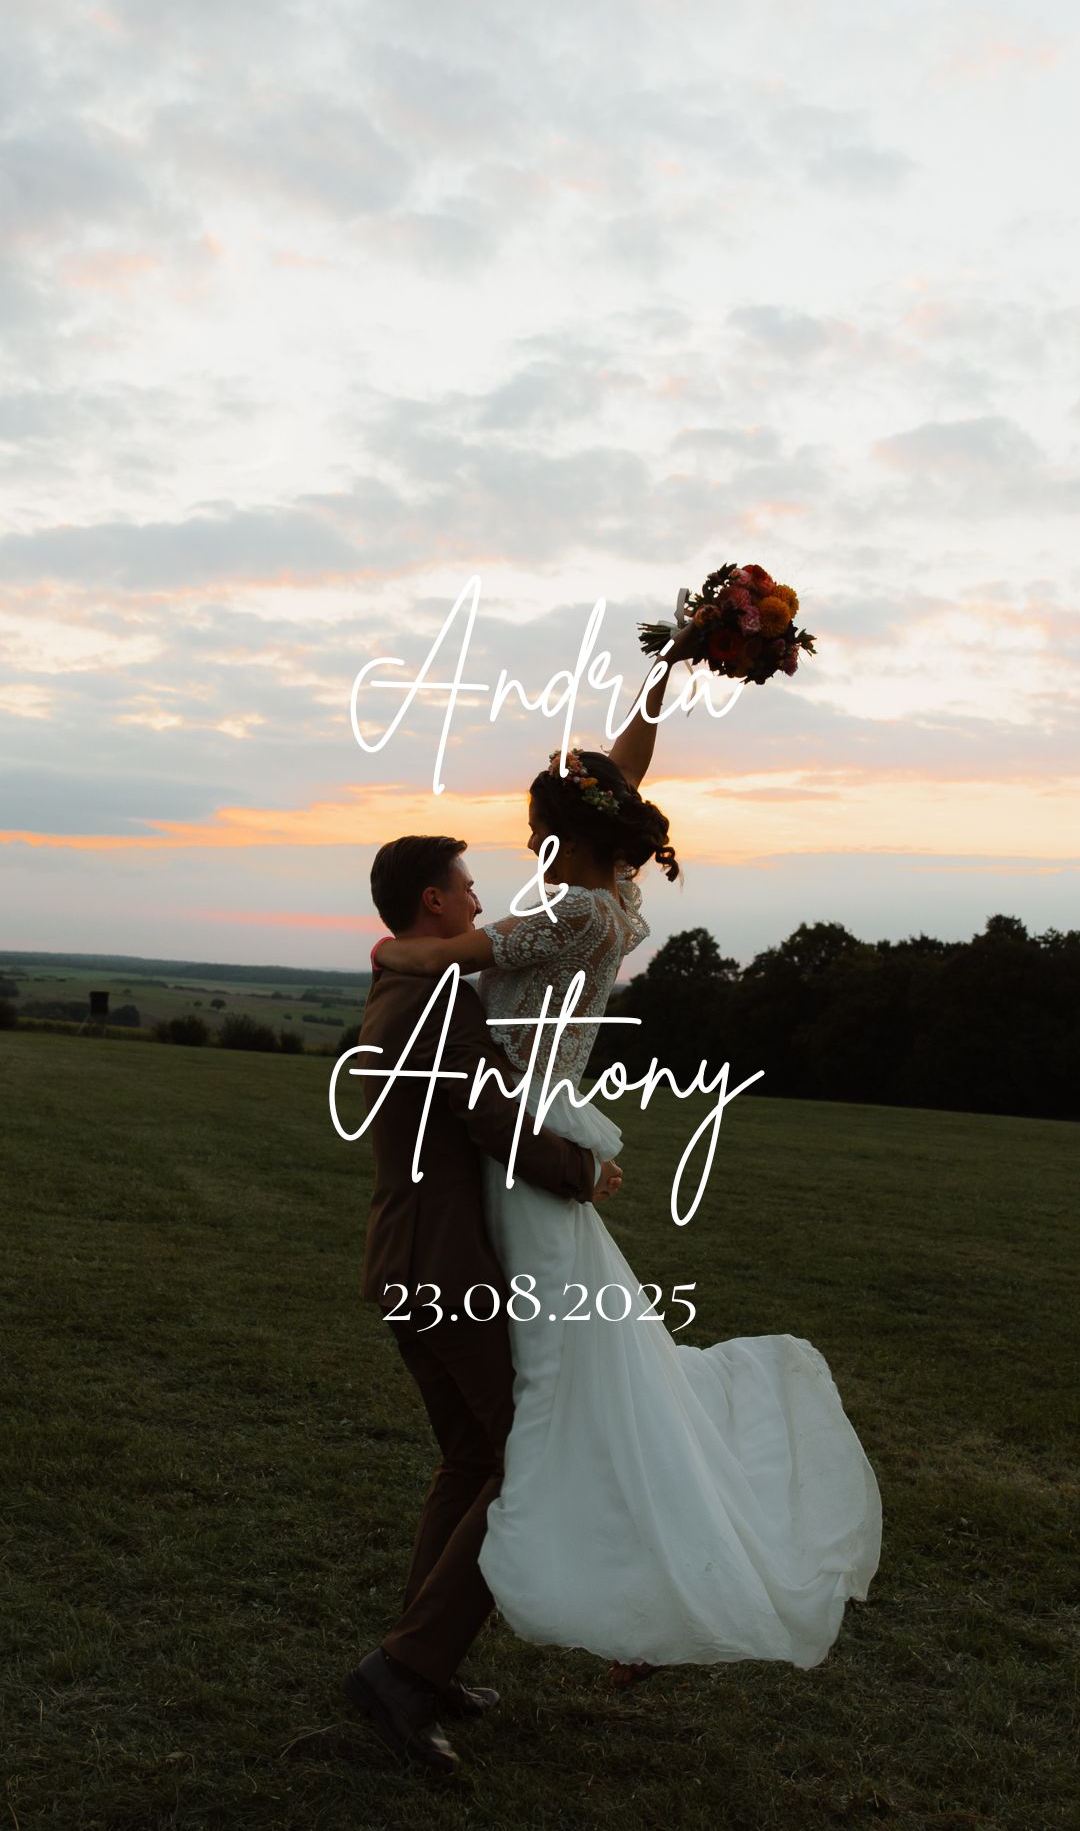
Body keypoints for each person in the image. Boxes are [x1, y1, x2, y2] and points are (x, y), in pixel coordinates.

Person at [373, 628, 883, 1680]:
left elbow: (438, 951)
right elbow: (624, 771)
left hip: (522, 1148)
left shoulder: (567, 914)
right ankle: (429, 1657)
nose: (523, 845)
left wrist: (396, 948)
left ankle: (546, 1615)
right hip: (523, 1138)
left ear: (563, 835)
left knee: (562, 1419)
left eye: (534, 828)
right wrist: (669, 671)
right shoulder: (608, 902)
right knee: (559, 1414)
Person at [341, 834, 621, 1775]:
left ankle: (421, 1656)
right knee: (530, 1461)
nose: (477, 899)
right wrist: (581, 1168)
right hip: (444, 1268)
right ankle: (406, 1670)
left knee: (473, 1459)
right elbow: (485, 1111)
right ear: (433, 900)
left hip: (410, 1261)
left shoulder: (403, 984)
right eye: (465, 887)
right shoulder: (432, 996)